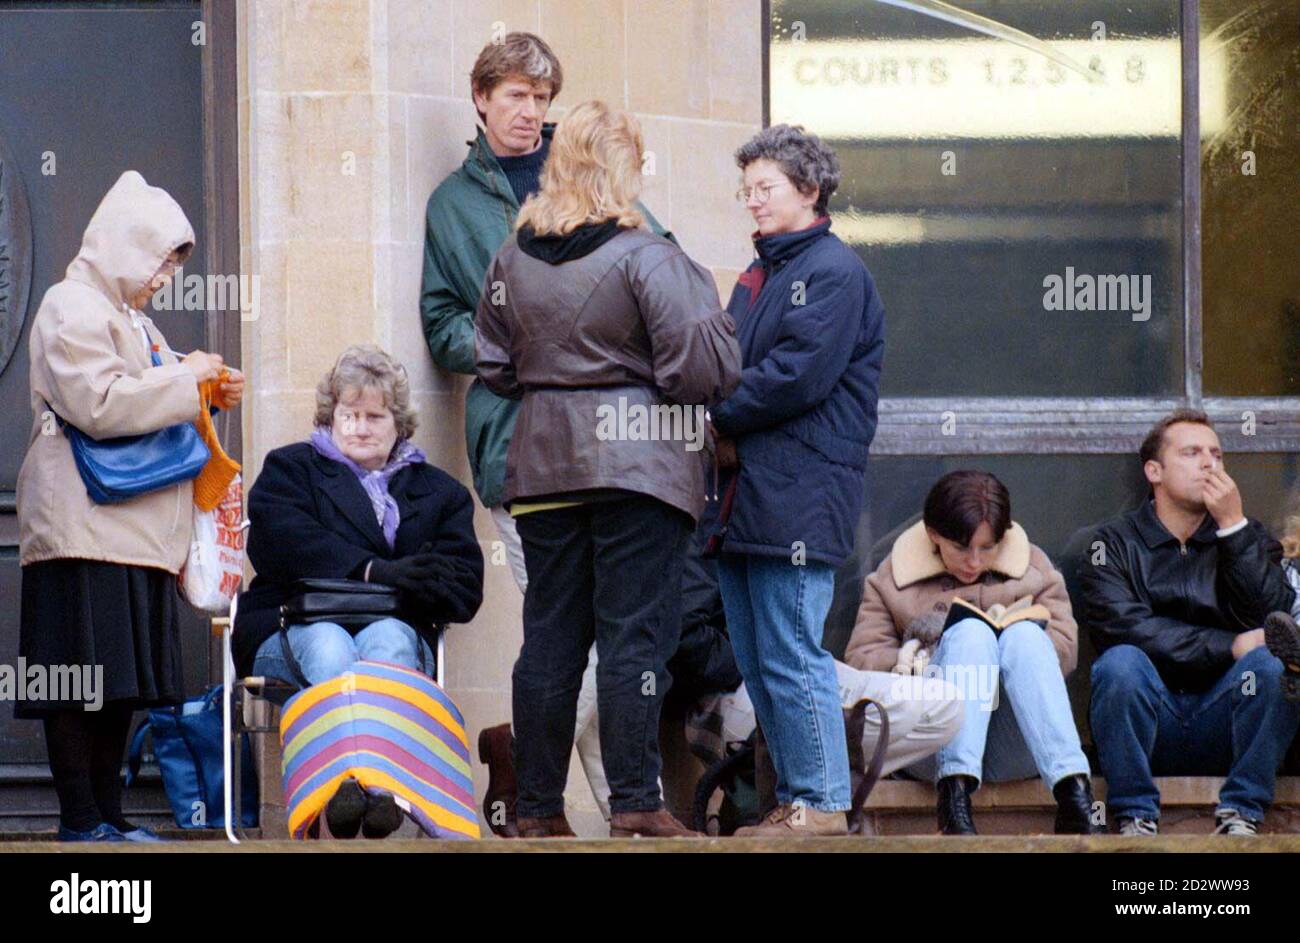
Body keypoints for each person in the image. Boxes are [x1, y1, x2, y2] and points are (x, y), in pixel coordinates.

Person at [421, 30, 671, 820]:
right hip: (521, 444)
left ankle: (546, 773)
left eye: (540, 98)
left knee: (609, 637)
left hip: (619, 449)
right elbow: (443, 324)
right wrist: (525, 351)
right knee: (570, 634)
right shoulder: (454, 204)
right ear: (482, 100)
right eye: (517, 97)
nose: (531, 113)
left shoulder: (592, 173)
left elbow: (661, 265)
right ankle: (603, 800)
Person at [475, 99, 741, 839]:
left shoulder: (511, 257)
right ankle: (635, 801)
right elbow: (702, 366)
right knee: (635, 636)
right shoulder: (650, 254)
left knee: (551, 638)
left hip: (543, 465)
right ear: (625, 170)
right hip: (640, 470)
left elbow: (493, 364)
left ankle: (535, 809)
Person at [16, 170, 244, 842]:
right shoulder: (69, 305)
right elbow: (102, 403)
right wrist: (186, 378)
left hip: (129, 528)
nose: (164, 279)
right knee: (77, 679)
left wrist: (201, 384)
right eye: (159, 262)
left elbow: (147, 391)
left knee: (117, 681)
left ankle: (109, 818)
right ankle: (81, 821)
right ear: (124, 246)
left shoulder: (128, 318)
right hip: (81, 525)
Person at [705, 124, 885, 836]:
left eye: (766, 188)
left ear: (810, 190)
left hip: (797, 497)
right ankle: (795, 801)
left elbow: (793, 377)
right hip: (748, 496)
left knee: (790, 651)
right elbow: (726, 362)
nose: (752, 201)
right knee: (759, 655)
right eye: (747, 189)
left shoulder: (833, 272)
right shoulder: (761, 274)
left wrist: (709, 415)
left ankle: (819, 804)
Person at [233, 344, 483, 839]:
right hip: (290, 625)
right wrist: (373, 570)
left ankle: (368, 786)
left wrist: (421, 585)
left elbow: (464, 587)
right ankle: (356, 782)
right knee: (330, 643)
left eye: (373, 415)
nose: (359, 427)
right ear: (331, 417)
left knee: (389, 638)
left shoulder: (439, 492)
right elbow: (278, 542)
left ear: (399, 423)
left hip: (394, 631)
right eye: (348, 415)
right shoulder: (291, 469)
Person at [1081, 409, 1299, 836]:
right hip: (1149, 726)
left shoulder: (1249, 536)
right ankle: (1134, 815)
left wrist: (1232, 528)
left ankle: (1242, 812)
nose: (1209, 463)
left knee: (1273, 668)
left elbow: (1275, 620)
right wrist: (1231, 646)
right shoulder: (1110, 544)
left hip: (1227, 723)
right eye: (1192, 452)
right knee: (1120, 663)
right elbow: (1121, 628)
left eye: (1217, 454)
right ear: (1154, 471)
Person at [846, 471, 1098, 835]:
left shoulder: (1034, 568)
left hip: (1019, 741)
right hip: (931, 747)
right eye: (961, 548)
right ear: (933, 534)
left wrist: (1007, 641)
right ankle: (954, 799)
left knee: (1025, 635)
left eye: (987, 548)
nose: (974, 562)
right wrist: (933, 654)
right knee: (969, 633)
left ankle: (1074, 794)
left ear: (1004, 536)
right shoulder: (893, 577)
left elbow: (1066, 650)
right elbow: (862, 662)